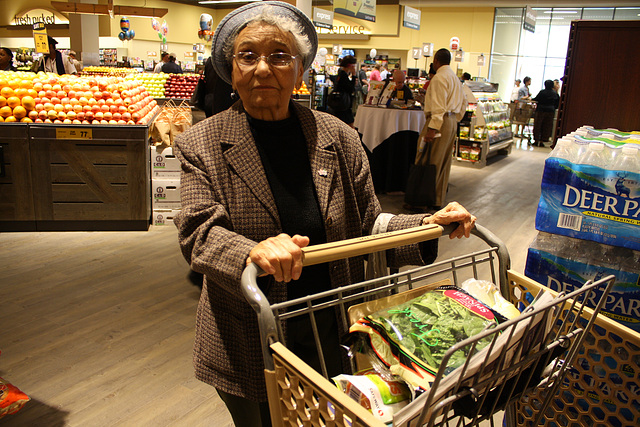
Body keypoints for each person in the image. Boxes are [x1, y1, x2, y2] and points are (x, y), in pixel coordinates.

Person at [172, 3, 476, 426]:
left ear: (300, 72)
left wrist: (427, 225)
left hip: (330, 323)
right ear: (230, 69)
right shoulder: (201, 143)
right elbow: (199, 232)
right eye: (248, 56)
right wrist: (251, 251)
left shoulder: (337, 136)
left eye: (279, 56)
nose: (263, 69)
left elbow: (370, 222)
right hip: (248, 333)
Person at [409, 48, 466, 212]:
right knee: (444, 162)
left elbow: (439, 108)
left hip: (439, 122)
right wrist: (454, 119)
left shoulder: (440, 78)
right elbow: (463, 102)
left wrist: (433, 129)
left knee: (429, 159)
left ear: (436, 61)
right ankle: (437, 199)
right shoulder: (455, 78)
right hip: (452, 121)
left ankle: (422, 199)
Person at [328, 55, 357, 127]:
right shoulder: (343, 75)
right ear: (350, 65)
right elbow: (350, 88)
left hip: (339, 103)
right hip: (344, 104)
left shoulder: (340, 74)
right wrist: (354, 76)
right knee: (349, 124)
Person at [532, 79, 560, 147]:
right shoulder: (555, 93)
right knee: (547, 126)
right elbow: (557, 103)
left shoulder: (542, 92)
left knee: (538, 125)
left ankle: (536, 141)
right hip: (550, 111)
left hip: (540, 110)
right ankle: (542, 141)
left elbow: (536, 99)